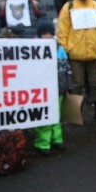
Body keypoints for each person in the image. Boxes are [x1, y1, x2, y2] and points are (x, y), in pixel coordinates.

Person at [56, 0, 96, 122]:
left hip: (95, 52)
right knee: (76, 83)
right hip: (75, 53)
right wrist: (65, 49)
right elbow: (63, 30)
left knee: (95, 83)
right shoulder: (68, 7)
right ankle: (74, 114)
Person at [32, 21, 68, 156]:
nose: (47, 37)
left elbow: (66, 69)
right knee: (43, 116)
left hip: (57, 89)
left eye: (49, 34)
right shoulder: (32, 48)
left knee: (57, 115)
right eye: (44, 34)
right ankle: (42, 143)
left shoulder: (59, 49)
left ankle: (57, 139)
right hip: (41, 91)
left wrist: (66, 85)